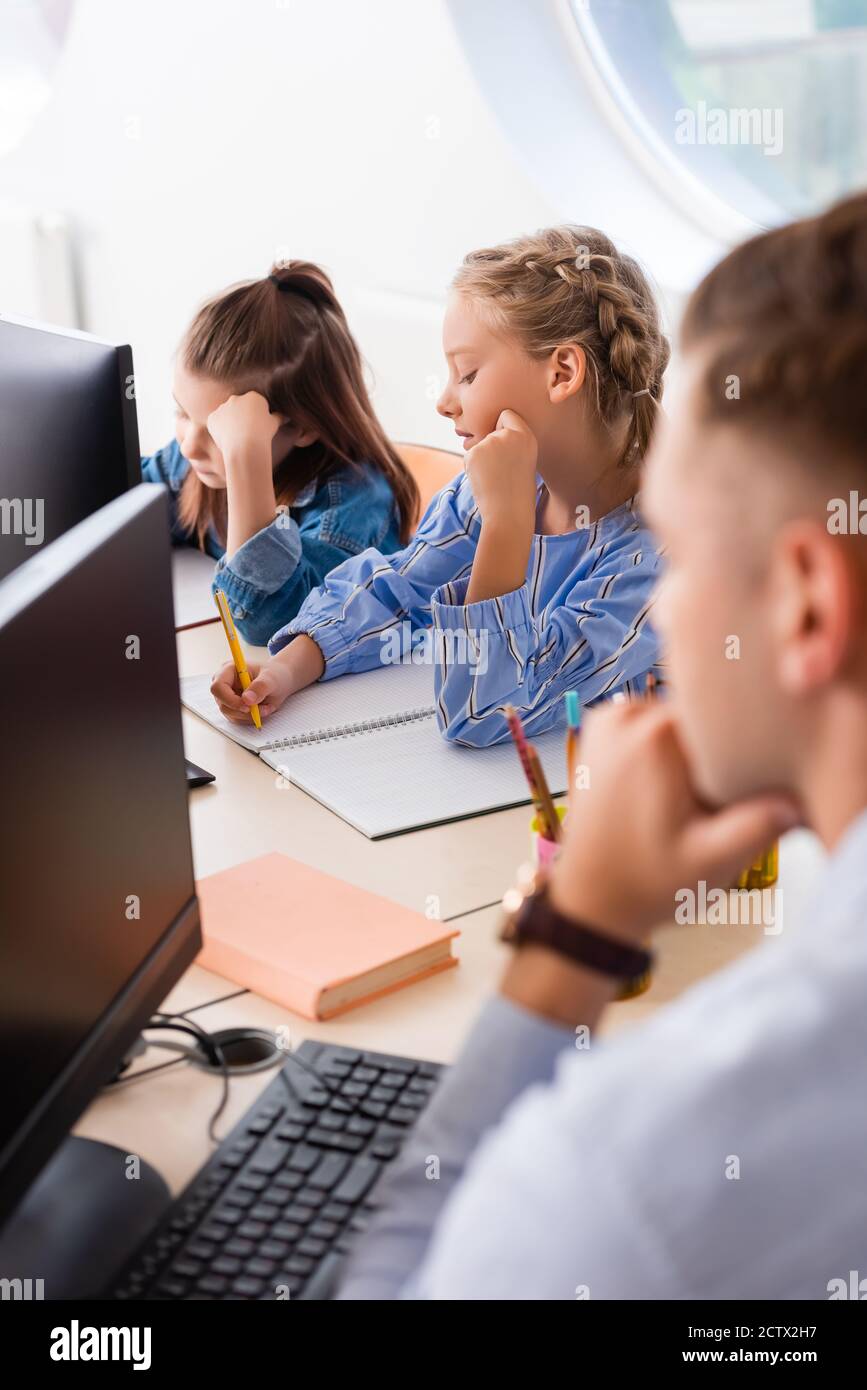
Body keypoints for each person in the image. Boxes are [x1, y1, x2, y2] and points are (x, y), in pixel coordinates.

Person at [337, 190, 867, 1299]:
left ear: (809, 604)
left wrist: (574, 938)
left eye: (682, 541)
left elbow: (398, 1284)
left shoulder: (635, 1167)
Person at [211, 226, 670, 744]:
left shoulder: (655, 561)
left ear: (562, 372)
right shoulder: (488, 491)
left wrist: (507, 525)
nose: (445, 400)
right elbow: (399, 591)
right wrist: (286, 671)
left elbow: (487, 712)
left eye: (468, 374)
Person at [142, 260, 418, 645]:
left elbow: (271, 623)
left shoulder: (353, 507)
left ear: (302, 428)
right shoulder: (198, 461)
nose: (188, 445)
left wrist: (245, 462)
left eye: (219, 433)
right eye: (182, 413)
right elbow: (123, 517)